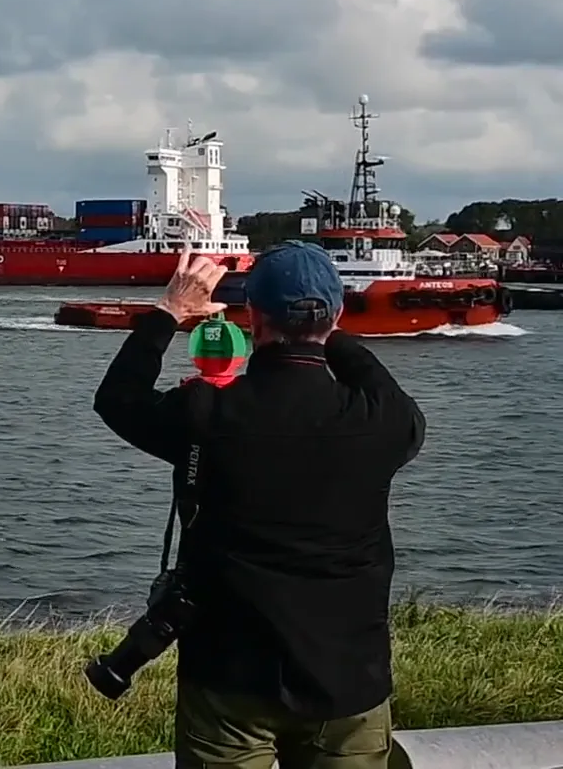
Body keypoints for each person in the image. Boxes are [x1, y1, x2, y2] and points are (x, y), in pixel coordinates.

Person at [93, 242, 426, 769]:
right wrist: (325, 332)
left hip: (229, 674)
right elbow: (384, 389)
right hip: (347, 679)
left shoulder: (207, 410)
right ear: (336, 315)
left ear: (252, 318)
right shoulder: (381, 421)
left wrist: (170, 310)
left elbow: (117, 399)